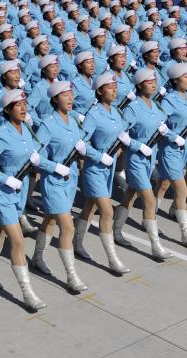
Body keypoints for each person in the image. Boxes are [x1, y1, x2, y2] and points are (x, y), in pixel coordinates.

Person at [0, 89, 47, 311]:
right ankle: (27, 292)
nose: (23, 107)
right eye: (17, 105)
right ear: (8, 110)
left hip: (20, 190)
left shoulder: (25, 130)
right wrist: (4, 179)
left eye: (24, 103)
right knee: (18, 241)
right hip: (2, 193)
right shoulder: (0, 134)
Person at [29, 81, 89, 293]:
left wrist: (83, 149)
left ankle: (37, 256)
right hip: (53, 181)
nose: (70, 98)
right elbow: (34, 156)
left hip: (70, 179)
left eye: (71, 94)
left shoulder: (72, 121)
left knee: (51, 219)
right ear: (55, 99)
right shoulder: (47, 125)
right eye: (65, 95)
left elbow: (79, 145)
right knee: (67, 226)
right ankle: (71, 275)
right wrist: (54, 167)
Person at [73, 72, 131, 275]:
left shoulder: (116, 112)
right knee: (107, 212)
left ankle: (77, 242)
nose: (114, 90)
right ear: (99, 91)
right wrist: (99, 156)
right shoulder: (93, 115)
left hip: (109, 167)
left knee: (90, 207)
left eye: (115, 87)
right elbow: (80, 144)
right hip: (94, 169)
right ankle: (112, 259)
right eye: (110, 87)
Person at [115, 68, 175, 260]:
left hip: (150, 158)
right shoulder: (132, 108)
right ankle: (156, 245)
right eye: (149, 82)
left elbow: (162, 129)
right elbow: (121, 134)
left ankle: (115, 230)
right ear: (140, 85)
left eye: (154, 81)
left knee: (131, 195)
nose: (153, 84)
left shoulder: (156, 106)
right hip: (135, 159)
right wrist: (138, 146)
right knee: (149, 200)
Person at [158, 64, 187, 244]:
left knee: (163, 185)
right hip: (171, 149)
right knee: (181, 189)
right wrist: (173, 136)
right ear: (176, 80)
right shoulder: (169, 100)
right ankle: (185, 232)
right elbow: (159, 125)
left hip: (186, 146)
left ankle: (150, 213)